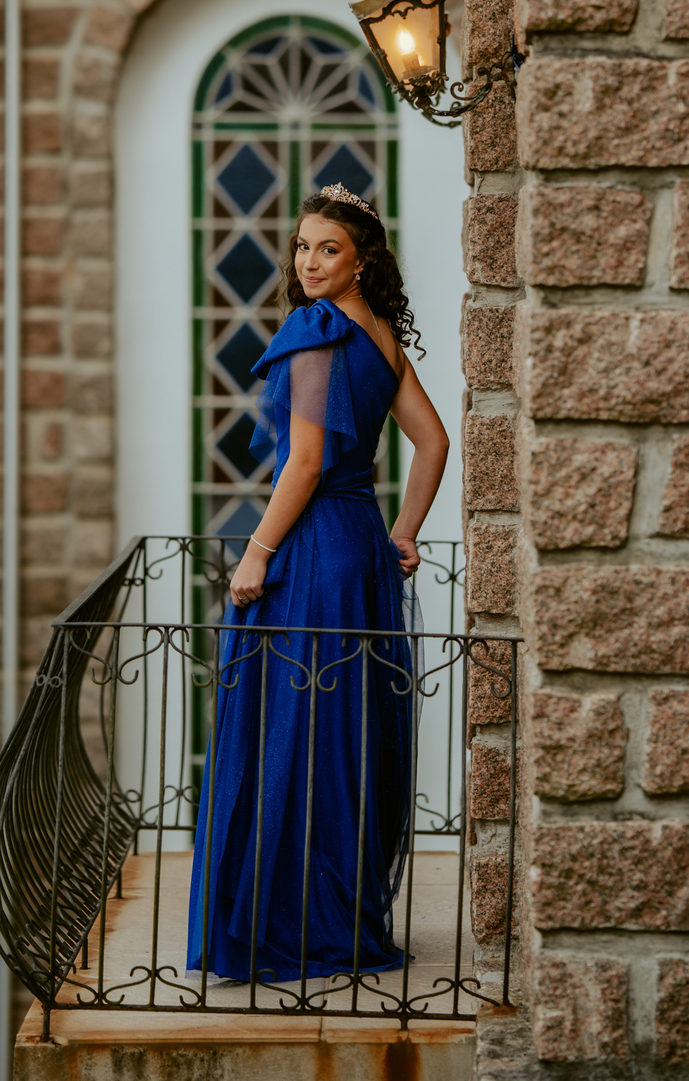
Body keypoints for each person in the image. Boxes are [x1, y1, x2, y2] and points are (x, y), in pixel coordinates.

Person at [186, 182, 450, 989]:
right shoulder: (379, 336)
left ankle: (284, 926)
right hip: (362, 546)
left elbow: (303, 462)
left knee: (292, 731)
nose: (308, 262)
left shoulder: (316, 327)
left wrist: (258, 551)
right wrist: (401, 532)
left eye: (327, 248)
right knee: (341, 735)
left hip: (310, 550)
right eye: (301, 247)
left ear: (361, 258)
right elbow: (433, 444)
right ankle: (332, 914)